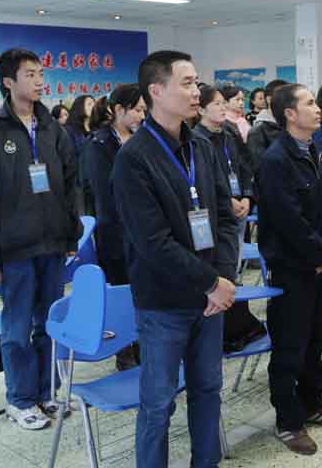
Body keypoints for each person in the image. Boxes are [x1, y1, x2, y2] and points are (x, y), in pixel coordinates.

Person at [114, 50, 237, 468]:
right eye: (187, 83)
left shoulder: (201, 145)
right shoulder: (133, 158)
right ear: (156, 90)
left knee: (208, 391)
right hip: (164, 302)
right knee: (158, 403)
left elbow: (224, 218)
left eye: (196, 82)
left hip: (210, 300)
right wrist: (211, 283)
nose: (196, 91)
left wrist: (222, 280)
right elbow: (153, 242)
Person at [0, 48, 81, 430]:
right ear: (8, 81)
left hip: (53, 244)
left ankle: (48, 392)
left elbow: (70, 186)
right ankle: (19, 399)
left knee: (50, 323)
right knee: (16, 329)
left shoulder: (52, 128)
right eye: (30, 74)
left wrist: (71, 233)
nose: (38, 81)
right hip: (14, 249)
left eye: (40, 73)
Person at [257, 83, 322, 455]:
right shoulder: (275, 160)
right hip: (292, 267)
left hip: (319, 265)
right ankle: (288, 420)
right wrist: (320, 252)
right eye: (309, 103)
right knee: (290, 346)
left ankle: (313, 403)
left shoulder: (318, 151)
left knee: (316, 338)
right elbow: (288, 220)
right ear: (290, 114)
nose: (317, 108)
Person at [193, 84, 265, 354]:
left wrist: (246, 196)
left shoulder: (229, 133)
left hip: (239, 205)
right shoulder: (197, 139)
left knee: (233, 264)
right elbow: (205, 181)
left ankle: (233, 324)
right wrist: (228, 201)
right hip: (217, 211)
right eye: (217, 104)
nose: (223, 108)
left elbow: (243, 167)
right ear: (201, 110)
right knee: (221, 268)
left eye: (225, 103)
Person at [85, 84, 144, 286]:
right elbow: (104, 194)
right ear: (119, 110)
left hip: (145, 230)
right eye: (137, 110)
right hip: (116, 232)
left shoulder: (142, 139)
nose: (142, 116)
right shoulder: (99, 144)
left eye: (144, 111)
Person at [246, 79, 289, 173]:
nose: (288, 101)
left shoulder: (288, 124)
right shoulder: (257, 131)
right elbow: (260, 168)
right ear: (269, 99)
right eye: (284, 97)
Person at [65, 94, 96, 215]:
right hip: (78, 181)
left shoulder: (97, 129)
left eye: (94, 103)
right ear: (79, 107)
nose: (93, 106)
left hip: (94, 181)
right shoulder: (69, 131)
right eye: (89, 104)